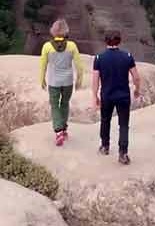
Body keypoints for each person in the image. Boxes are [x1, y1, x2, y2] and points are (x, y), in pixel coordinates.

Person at [92, 29, 143, 165]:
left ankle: (105, 146)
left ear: (106, 41)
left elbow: (95, 80)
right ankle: (123, 154)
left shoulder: (99, 58)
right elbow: (136, 77)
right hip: (123, 96)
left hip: (107, 95)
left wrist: (95, 96)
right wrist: (137, 90)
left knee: (105, 120)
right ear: (119, 41)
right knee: (124, 124)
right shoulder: (127, 56)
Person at [38, 19, 85, 147]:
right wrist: (79, 80)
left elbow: (43, 65)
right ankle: (64, 129)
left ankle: (58, 131)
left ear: (53, 31)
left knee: (54, 105)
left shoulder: (47, 47)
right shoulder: (72, 46)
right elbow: (79, 66)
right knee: (65, 103)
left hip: (53, 81)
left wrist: (41, 79)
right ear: (65, 32)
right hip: (68, 81)